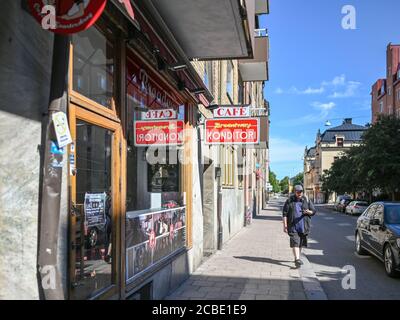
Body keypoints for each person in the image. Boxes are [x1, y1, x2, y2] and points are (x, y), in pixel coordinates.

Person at [282, 185, 316, 268]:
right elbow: (285, 214)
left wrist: (309, 212)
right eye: (298, 192)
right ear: (294, 192)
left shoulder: (306, 200)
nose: (299, 193)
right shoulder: (289, 201)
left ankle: (297, 258)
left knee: (300, 244)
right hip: (293, 226)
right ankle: (297, 259)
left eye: (301, 191)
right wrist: (285, 225)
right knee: (295, 242)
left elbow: (314, 211)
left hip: (304, 226)